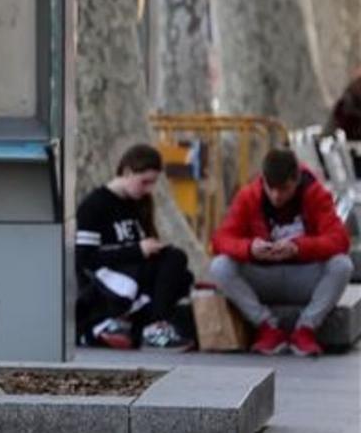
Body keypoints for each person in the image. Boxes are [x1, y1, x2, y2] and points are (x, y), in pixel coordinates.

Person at [209, 148, 353, 356]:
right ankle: (267, 326)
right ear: (264, 181)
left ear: (296, 180)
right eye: (271, 188)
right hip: (263, 277)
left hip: (304, 277)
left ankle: (306, 328)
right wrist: (250, 249)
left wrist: (299, 247)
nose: (276, 196)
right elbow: (220, 240)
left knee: (342, 265)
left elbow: (339, 240)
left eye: (284, 188)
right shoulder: (249, 195)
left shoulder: (316, 194)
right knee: (220, 266)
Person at [75, 144, 195, 351]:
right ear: (128, 171)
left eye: (153, 183)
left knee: (180, 272)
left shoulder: (139, 203)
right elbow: (84, 258)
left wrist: (149, 248)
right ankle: (145, 327)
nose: (148, 189)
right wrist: (137, 250)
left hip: (135, 271)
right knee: (173, 263)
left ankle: (140, 327)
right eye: (145, 182)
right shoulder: (94, 205)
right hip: (106, 279)